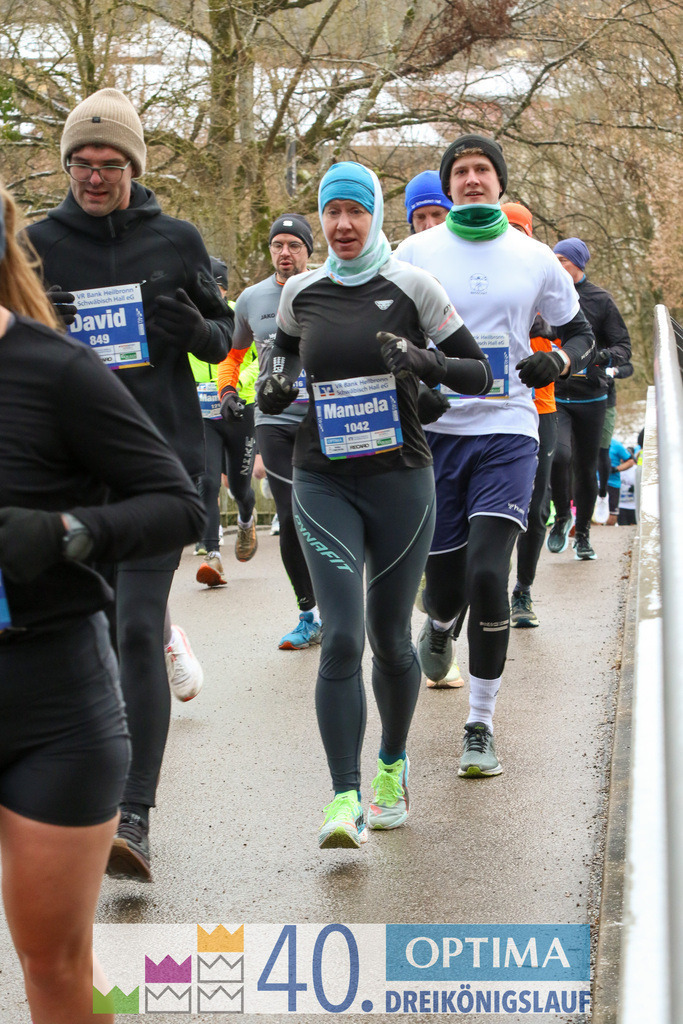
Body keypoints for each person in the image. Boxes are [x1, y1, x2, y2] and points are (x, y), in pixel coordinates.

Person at [0, 184, 204, 1024]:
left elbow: (177, 504)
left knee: (54, 966)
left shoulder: (56, 370)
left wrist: (64, 532)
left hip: (50, 710)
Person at [25, 88, 233, 880]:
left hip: (161, 463)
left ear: (133, 166)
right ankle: (86, 801)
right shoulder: (38, 244)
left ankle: (134, 817)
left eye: (110, 164)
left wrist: (194, 332)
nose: (95, 177)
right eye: (82, 162)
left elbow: (223, 337)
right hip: (70, 473)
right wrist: (50, 327)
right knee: (94, 638)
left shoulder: (174, 239)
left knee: (139, 630)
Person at [258, 161, 492, 848]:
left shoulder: (413, 287)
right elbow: (279, 366)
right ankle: (342, 797)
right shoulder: (300, 292)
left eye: (354, 212)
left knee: (391, 639)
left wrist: (426, 364)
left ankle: (391, 765)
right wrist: (271, 389)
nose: (342, 225)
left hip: (400, 480)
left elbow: (477, 373)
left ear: (375, 216)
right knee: (341, 635)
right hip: (323, 477)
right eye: (331, 213)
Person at [396, 134, 595, 777]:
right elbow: (391, 336)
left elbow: (580, 331)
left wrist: (556, 360)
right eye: (461, 171)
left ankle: (479, 725)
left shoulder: (534, 256)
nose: (473, 179)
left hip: (510, 429)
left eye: (483, 170)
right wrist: (413, 388)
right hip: (440, 433)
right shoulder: (416, 252)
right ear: (447, 185)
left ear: (499, 182)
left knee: (490, 575)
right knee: (447, 581)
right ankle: (438, 622)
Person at [218, 214, 323, 649]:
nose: (285, 252)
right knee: (290, 516)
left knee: (330, 514)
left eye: (294, 245)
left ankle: (347, 606)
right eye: (278, 244)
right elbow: (231, 354)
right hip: (274, 421)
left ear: (307, 252)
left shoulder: (328, 288)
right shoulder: (250, 298)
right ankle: (308, 614)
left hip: (324, 418)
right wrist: (226, 390)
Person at [547, 237, 631, 559]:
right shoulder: (548, 295)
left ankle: (582, 534)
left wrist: (599, 357)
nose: (556, 266)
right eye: (553, 259)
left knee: (586, 469)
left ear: (578, 264)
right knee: (559, 457)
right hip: (556, 396)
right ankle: (561, 517)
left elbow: (625, 349)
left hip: (593, 398)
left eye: (562, 261)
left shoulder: (601, 300)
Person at [501, 201, 559, 629]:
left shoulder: (542, 271)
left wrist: (548, 333)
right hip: (492, 405)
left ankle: (522, 591)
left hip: (541, 406)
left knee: (537, 507)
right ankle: (486, 585)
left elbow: (580, 329)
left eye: (520, 229)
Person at [193, 257, 258, 587]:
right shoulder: (188, 320)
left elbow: (261, 361)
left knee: (239, 486)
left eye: (213, 288)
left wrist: (233, 389)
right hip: (203, 416)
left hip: (239, 411)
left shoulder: (239, 314)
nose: (207, 295)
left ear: (223, 289)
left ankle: (247, 518)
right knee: (207, 481)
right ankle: (212, 555)